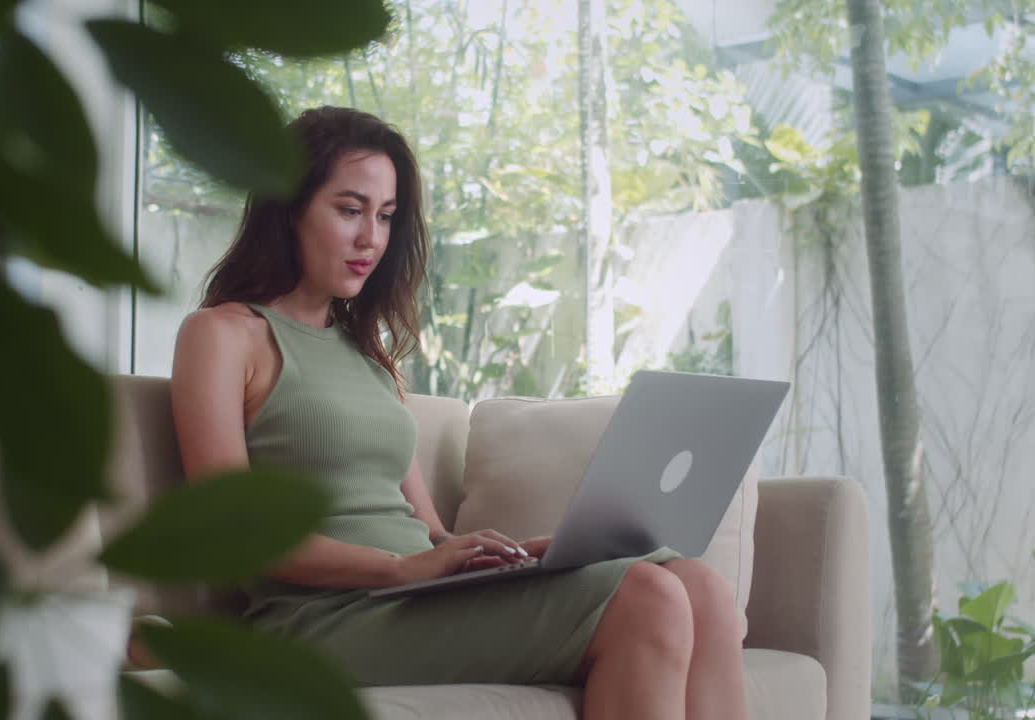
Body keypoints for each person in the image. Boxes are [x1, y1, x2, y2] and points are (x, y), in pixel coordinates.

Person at [169, 106, 748, 720]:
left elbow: (432, 534)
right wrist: (400, 569)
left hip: (416, 596)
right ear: (288, 207)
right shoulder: (223, 335)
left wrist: (528, 555)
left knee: (702, 589)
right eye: (349, 209)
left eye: (386, 216)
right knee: (649, 597)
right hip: (323, 620)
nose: (372, 238)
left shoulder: (369, 359)